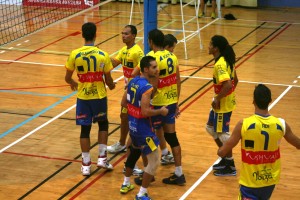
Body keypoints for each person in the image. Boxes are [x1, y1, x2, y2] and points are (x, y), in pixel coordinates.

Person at [218, 84, 300, 199]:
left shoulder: (244, 124)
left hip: (250, 184)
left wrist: (221, 147)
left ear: (253, 101)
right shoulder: (281, 124)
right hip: (270, 182)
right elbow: (298, 144)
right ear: (270, 101)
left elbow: (222, 152)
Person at [64, 22, 116, 176]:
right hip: (99, 96)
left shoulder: (75, 54)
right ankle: (102, 158)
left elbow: (67, 78)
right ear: (95, 35)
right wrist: (112, 85)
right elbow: (108, 79)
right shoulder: (102, 54)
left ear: (82, 35)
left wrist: (74, 83)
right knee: (103, 124)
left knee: (85, 130)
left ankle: (86, 165)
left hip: (83, 97)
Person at [120, 56, 168, 200]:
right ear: (146, 69)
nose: (157, 69)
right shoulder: (147, 88)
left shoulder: (132, 81)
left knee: (134, 153)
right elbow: (146, 112)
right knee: (154, 161)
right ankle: (142, 193)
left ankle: (125, 183)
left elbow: (123, 103)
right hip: (144, 130)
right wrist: (161, 111)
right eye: (154, 67)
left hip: (132, 126)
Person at [148, 29, 185, 185]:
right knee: (171, 137)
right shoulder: (173, 56)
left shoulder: (152, 59)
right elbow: (177, 81)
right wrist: (176, 102)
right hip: (170, 102)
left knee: (148, 137)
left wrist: (147, 98)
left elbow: (153, 84)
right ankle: (179, 173)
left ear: (150, 41)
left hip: (157, 104)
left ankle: (149, 173)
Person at [107, 24, 144, 175]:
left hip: (135, 91)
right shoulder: (124, 51)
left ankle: (134, 150)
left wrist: (132, 80)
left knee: (134, 121)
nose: (123, 36)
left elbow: (143, 65)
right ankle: (122, 144)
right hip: (128, 91)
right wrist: (100, 58)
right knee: (123, 116)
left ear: (134, 36)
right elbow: (113, 63)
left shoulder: (137, 51)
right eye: (122, 33)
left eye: (127, 34)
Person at [205, 35, 238, 176]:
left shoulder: (220, 64)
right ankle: (225, 157)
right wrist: (227, 96)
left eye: (210, 44)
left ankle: (230, 165)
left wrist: (219, 98)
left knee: (223, 134)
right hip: (224, 103)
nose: (208, 46)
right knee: (210, 128)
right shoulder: (226, 60)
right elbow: (236, 80)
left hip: (222, 106)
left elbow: (229, 83)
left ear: (216, 48)